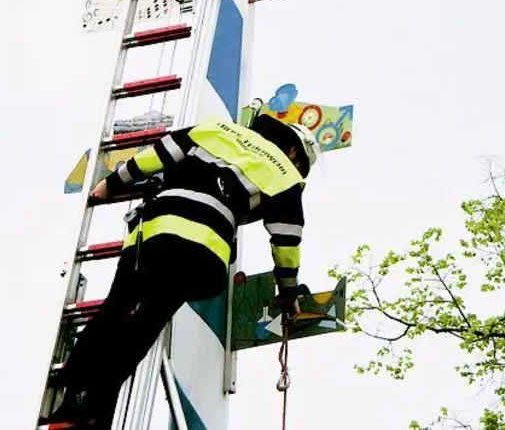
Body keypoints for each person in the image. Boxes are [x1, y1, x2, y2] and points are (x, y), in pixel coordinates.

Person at [46, 112, 321, 427]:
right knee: (146, 324)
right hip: (200, 252)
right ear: (294, 152)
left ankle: (71, 399)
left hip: (150, 237)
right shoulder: (286, 173)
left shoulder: (218, 130)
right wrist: (288, 295)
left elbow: (159, 153)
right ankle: (95, 410)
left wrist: (112, 183)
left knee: (114, 310)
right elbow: (286, 240)